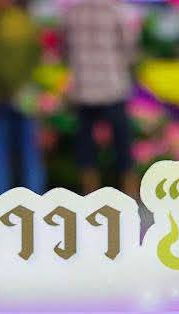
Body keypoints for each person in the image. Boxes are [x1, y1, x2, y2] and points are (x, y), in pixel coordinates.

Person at [64, 0, 138, 196]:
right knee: (122, 141)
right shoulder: (118, 12)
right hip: (112, 85)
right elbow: (129, 48)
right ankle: (129, 191)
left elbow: (65, 49)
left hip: (83, 87)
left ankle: (90, 191)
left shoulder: (73, 13)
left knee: (85, 143)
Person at [0, 0, 44, 194]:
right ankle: (35, 200)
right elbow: (35, 56)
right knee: (30, 153)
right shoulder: (27, 21)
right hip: (25, 95)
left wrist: (10, 85)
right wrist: (21, 84)